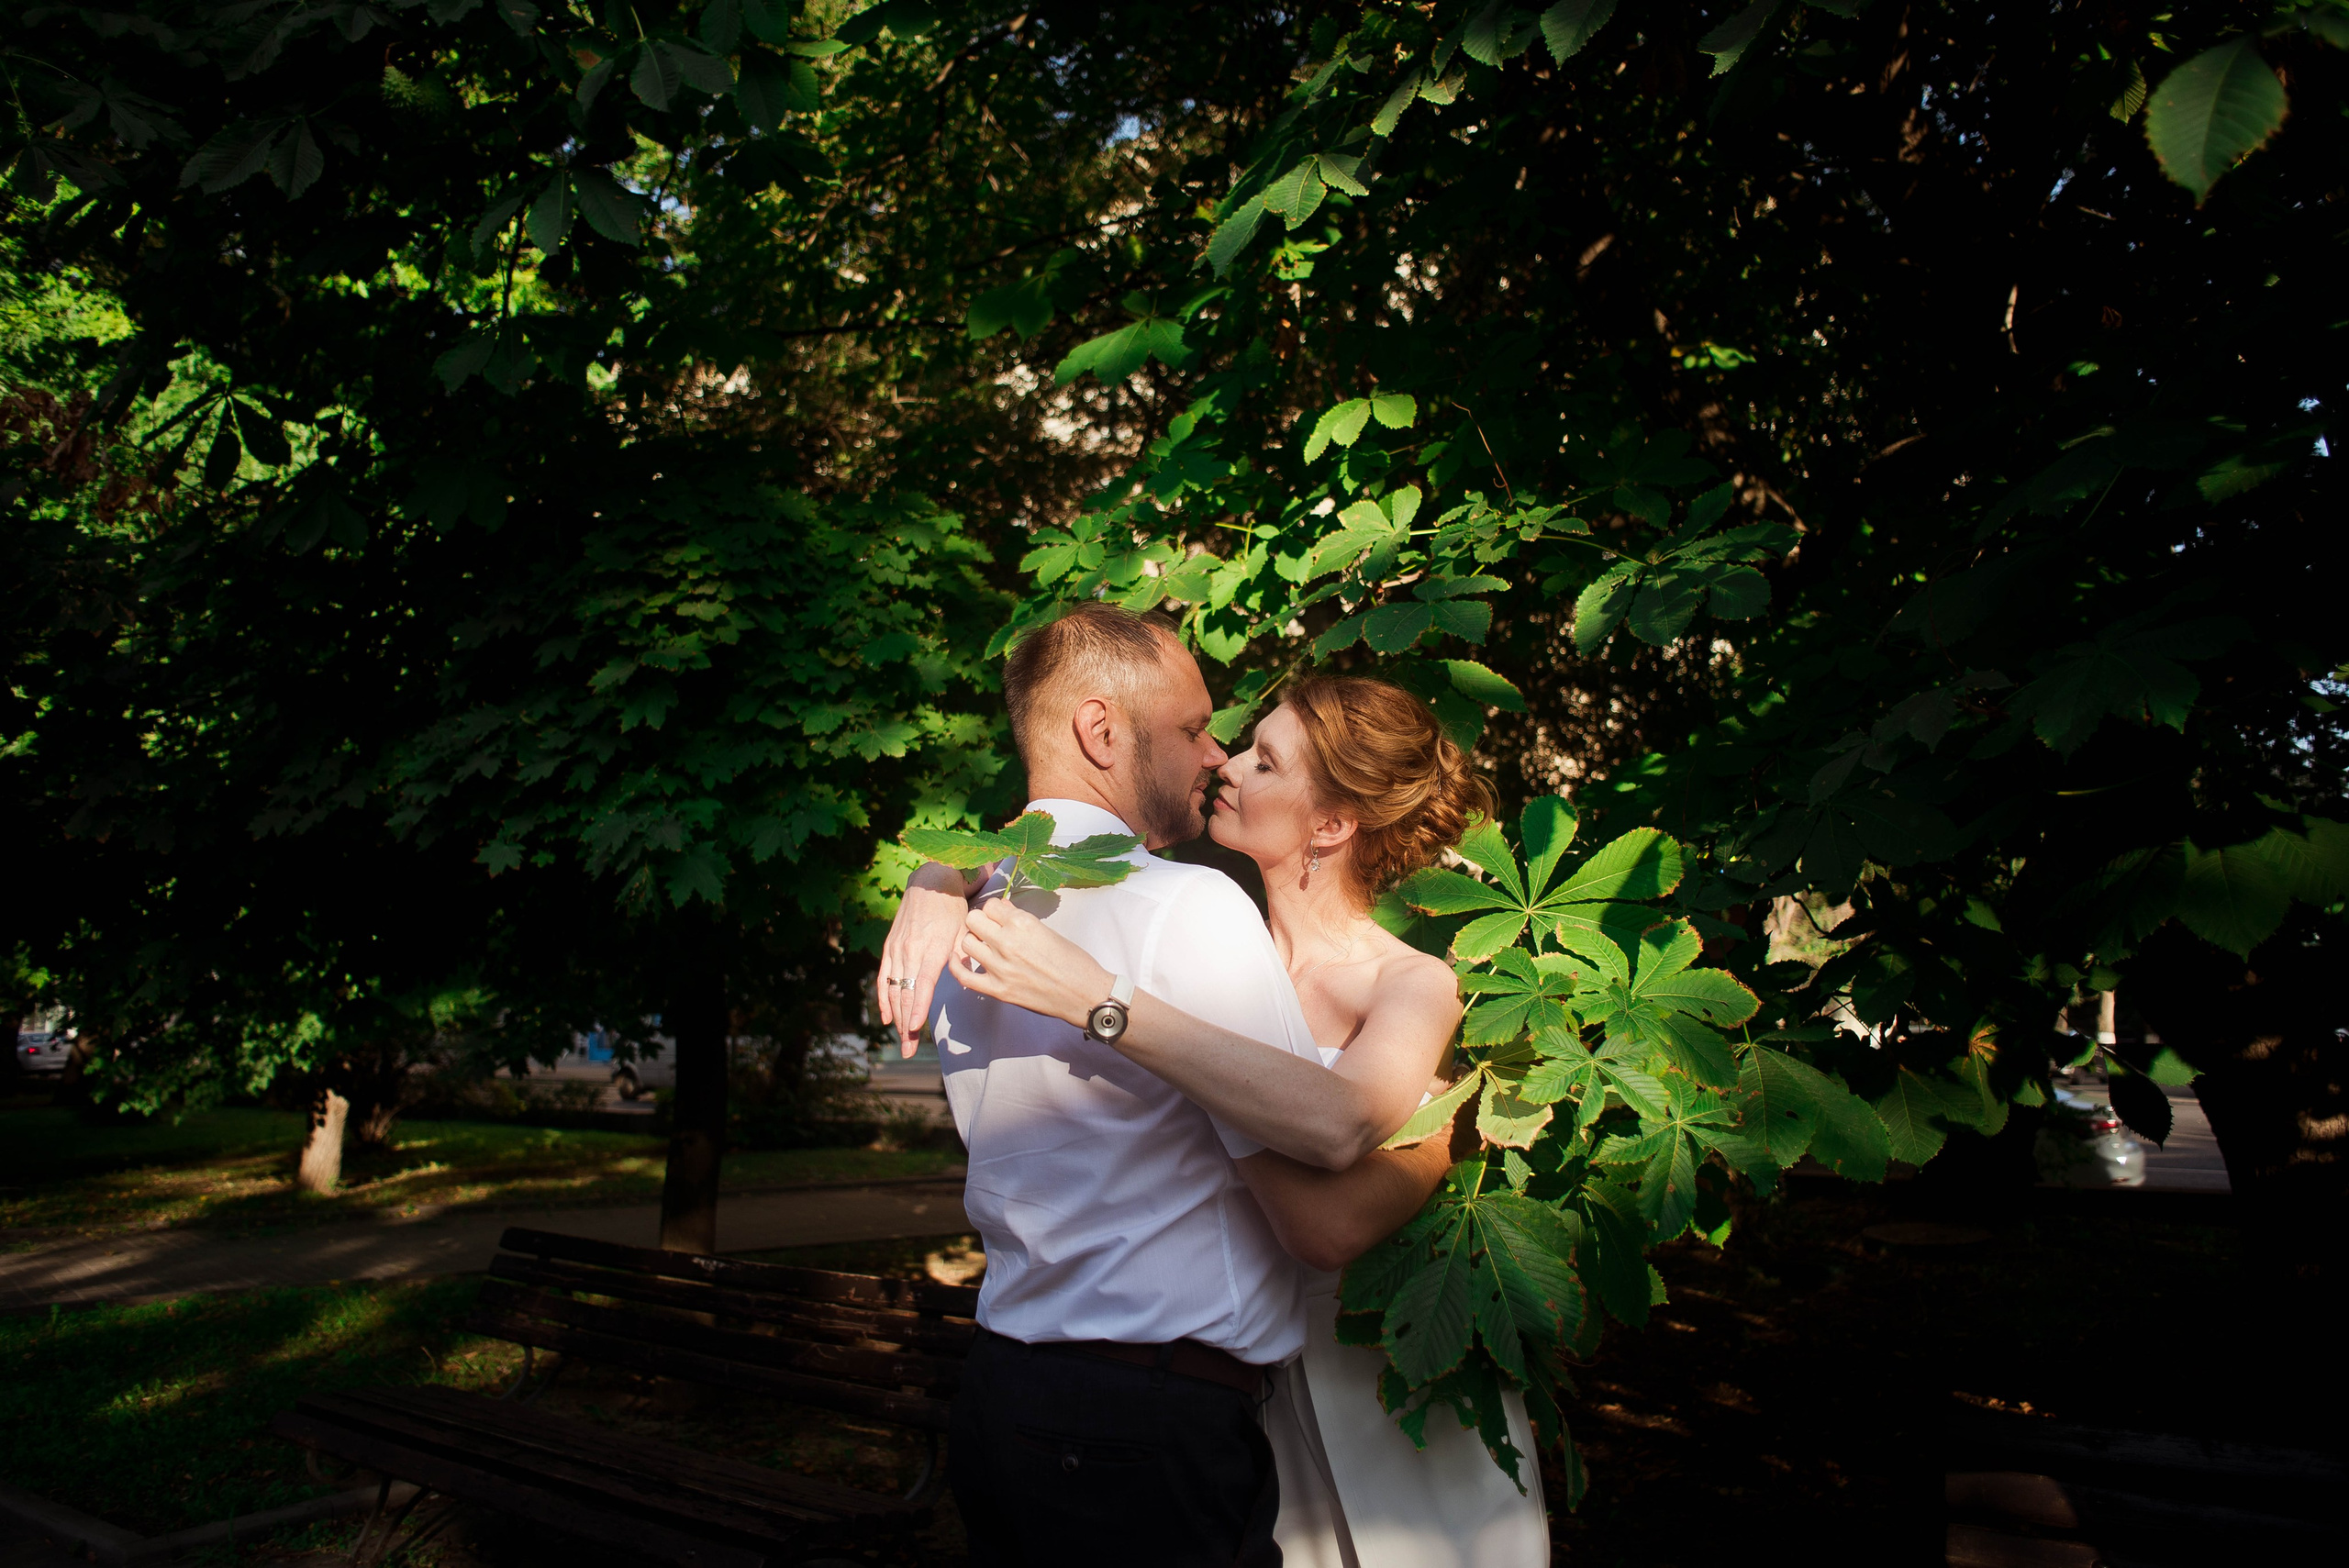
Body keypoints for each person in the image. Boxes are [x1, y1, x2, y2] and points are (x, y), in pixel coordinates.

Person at [882, 617, 1548, 1566]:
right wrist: (938, 871)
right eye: (1217, 736)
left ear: (1331, 823)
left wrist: (1456, 1124)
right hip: (1193, 1392)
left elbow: (1324, 1204)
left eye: (1262, 759)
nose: (1223, 760)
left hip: (1358, 1371)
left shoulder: (1394, 976)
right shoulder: (1190, 923)